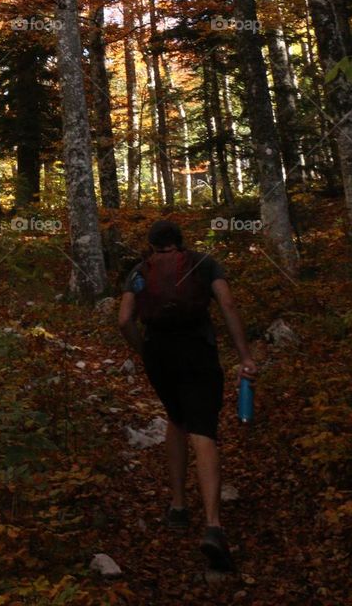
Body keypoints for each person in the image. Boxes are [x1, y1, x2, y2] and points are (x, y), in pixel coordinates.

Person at [118, 219, 257, 573]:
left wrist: (144, 352)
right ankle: (213, 525)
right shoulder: (204, 263)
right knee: (203, 430)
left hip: (159, 356)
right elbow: (227, 305)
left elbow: (124, 320)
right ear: (181, 243)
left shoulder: (139, 270)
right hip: (198, 351)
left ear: (151, 245)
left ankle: (179, 506)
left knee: (176, 419)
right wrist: (244, 355)